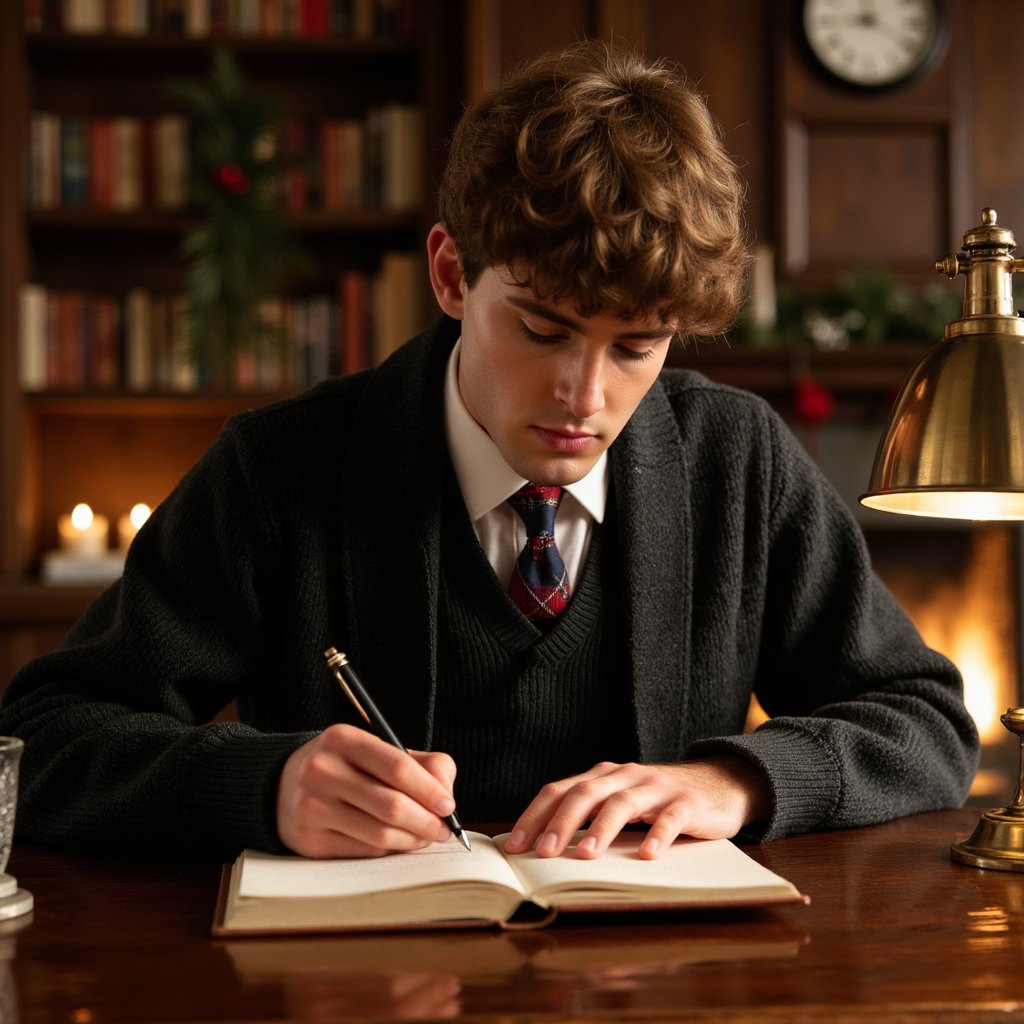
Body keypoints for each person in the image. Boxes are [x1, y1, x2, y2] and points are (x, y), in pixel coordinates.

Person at [0, 41, 977, 862]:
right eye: (544, 329)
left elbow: (925, 719)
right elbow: (41, 737)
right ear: (450, 274)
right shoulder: (277, 469)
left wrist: (734, 781)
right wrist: (263, 784)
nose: (585, 399)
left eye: (636, 347)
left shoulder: (737, 459)